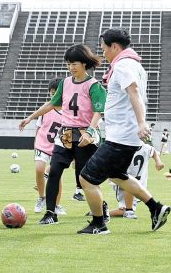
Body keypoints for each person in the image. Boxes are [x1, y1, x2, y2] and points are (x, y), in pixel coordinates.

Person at [78, 28, 170, 234]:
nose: (103, 54)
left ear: (115, 47)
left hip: (121, 136)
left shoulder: (122, 65)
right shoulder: (134, 64)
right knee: (116, 175)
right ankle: (156, 208)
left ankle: (98, 224)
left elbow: (133, 91)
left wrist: (141, 122)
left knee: (86, 178)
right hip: (123, 135)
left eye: (104, 49)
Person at [19, 44, 107, 225]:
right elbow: (52, 104)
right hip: (65, 134)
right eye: (68, 63)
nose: (71, 67)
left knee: (84, 179)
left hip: (85, 135)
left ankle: (101, 206)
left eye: (74, 63)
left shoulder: (94, 86)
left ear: (84, 63)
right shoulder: (65, 83)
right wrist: (29, 118)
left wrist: (90, 132)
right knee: (54, 172)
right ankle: (50, 213)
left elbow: (99, 112)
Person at [32, 78, 65, 215]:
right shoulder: (46, 109)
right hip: (42, 144)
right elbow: (38, 127)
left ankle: (56, 205)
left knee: (56, 175)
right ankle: (41, 197)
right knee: (39, 169)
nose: (53, 96)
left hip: (58, 146)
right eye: (51, 93)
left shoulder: (68, 111)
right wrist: (35, 143)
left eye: (56, 93)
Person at [109, 143, 164, 219]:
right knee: (126, 206)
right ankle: (127, 210)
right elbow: (153, 150)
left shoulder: (128, 146)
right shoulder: (143, 147)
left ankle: (104, 212)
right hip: (132, 182)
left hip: (133, 184)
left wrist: (158, 161)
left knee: (124, 209)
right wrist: (158, 161)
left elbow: (153, 150)